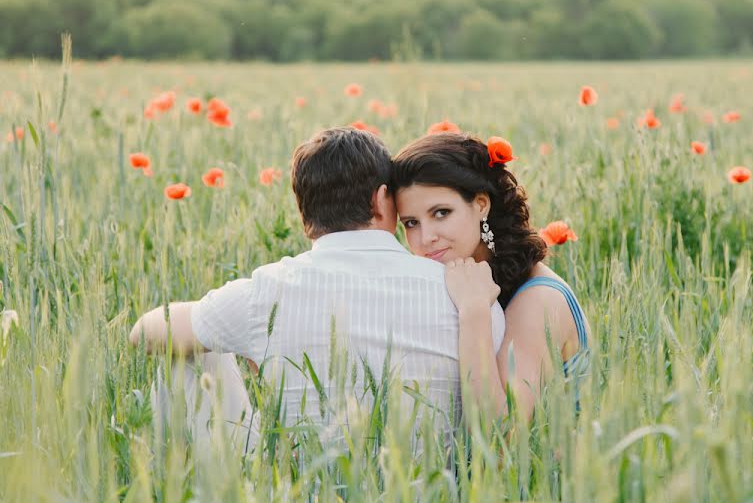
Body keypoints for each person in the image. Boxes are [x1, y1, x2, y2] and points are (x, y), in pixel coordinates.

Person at [129, 127, 505, 451]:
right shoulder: (469, 296)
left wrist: (242, 338)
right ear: (380, 200)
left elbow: (143, 332)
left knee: (185, 348)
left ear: (304, 213)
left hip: (301, 496)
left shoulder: (266, 292)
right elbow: (494, 434)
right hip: (431, 497)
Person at [391, 132, 590, 419]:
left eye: (441, 213)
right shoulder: (460, 280)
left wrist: (474, 313)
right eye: (411, 223)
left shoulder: (539, 300)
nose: (426, 237)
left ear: (481, 204)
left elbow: (500, 439)